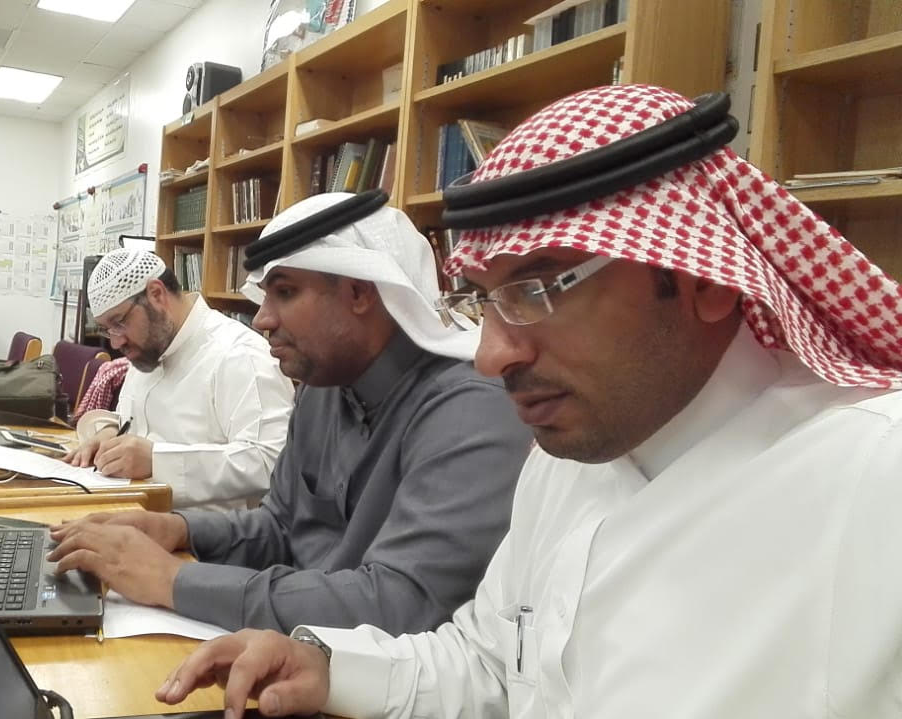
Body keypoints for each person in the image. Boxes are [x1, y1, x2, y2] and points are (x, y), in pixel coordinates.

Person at [154, 84, 902, 718]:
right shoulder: (568, 453)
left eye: (537, 289)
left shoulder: (875, 480)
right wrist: (329, 668)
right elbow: (489, 663)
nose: (491, 356)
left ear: (702, 280)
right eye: (484, 302)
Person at [50, 191, 531, 635]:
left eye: (284, 292)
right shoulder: (322, 386)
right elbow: (280, 526)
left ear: (359, 292)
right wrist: (178, 529)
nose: (262, 319)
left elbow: (399, 603)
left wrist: (173, 580)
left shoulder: (469, 407)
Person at [66, 248, 294, 511]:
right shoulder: (150, 348)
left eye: (119, 322)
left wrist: (157, 462)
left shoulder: (240, 354)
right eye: (108, 330)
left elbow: (270, 461)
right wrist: (109, 434)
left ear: (156, 294)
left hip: (203, 533)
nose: (116, 343)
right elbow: (134, 424)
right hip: (128, 514)